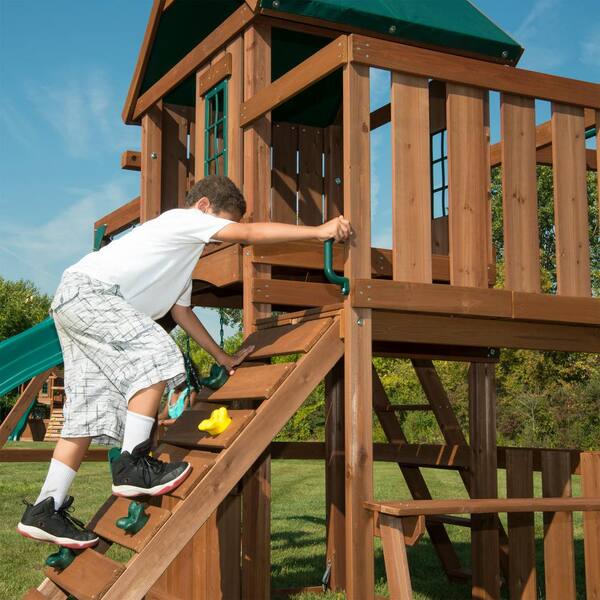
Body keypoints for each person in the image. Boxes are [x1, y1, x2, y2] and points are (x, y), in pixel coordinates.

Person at [17, 175, 351, 548]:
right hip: (91, 294)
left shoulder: (180, 260)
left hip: (76, 303)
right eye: (224, 225)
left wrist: (222, 356)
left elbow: (183, 313)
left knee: (87, 413)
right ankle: (132, 465)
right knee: (157, 355)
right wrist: (318, 231)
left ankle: (45, 508)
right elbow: (249, 234)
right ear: (204, 207)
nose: (221, 237)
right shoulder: (183, 219)